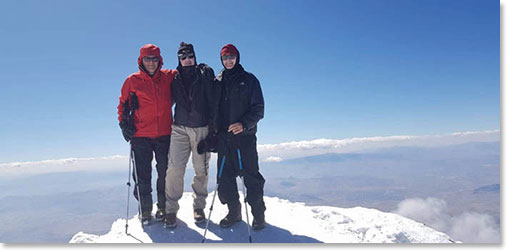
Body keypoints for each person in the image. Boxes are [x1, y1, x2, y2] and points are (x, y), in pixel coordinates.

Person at [117, 44, 177, 224]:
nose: (151, 63)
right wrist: (123, 124)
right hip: (140, 135)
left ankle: (163, 207)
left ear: (160, 60)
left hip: (164, 134)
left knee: (165, 172)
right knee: (142, 174)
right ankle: (145, 209)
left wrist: (198, 67)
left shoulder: (168, 77)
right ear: (140, 61)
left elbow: (186, 71)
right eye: (147, 59)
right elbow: (122, 104)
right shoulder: (132, 81)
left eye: (154, 59)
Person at [163, 42, 216, 228]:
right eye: (183, 57)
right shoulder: (174, 78)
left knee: (201, 169)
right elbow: (163, 100)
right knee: (174, 168)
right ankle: (170, 210)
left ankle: (199, 207)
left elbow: (214, 101)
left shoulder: (204, 74)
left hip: (201, 128)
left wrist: (212, 132)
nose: (187, 60)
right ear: (179, 59)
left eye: (190, 56)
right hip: (179, 129)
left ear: (195, 57)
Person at [214, 44, 266, 230]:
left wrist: (243, 124)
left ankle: (258, 215)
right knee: (225, 178)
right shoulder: (217, 81)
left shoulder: (249, 80)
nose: (228, 60)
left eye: (231, 56)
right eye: (225, 57)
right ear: (221, 59)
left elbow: (259, 109)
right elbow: (214, 110)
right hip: (224, 139)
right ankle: (234, 212)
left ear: (237, 58)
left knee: (251, 177)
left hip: (244, 138)